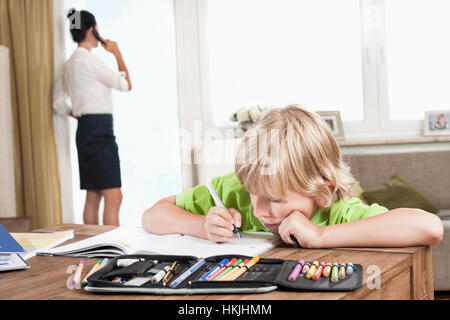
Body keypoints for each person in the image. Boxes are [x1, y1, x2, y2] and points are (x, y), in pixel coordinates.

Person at [142, 105, 443, 248]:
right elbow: (152, 215)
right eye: (252, 192)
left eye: (275, 199)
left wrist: (321, 235)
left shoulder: (336, 210)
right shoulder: (231, 191)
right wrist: (203, 226)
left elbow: (429, 227)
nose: (259, 210)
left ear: (321, 191)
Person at [53, 9, 132, 226]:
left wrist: (79, 111)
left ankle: (92, 250)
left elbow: (58, 104)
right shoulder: (92, 61)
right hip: (101, 129)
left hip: (85, 129)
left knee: (93, 195)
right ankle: (110, 250)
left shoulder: (68, 65)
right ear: (91, 31)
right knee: (114, 196)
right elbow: (126, 85)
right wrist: (116, 52)